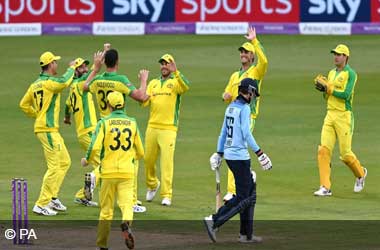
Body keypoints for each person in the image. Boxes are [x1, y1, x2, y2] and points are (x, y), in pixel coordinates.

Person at [204, 78, 272, 243]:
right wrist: (260, 153)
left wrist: (219, 153)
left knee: (250, 192)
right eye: (253, 94)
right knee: (243, 197)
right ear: (249, 92)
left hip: (230, 156)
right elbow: (246, 133)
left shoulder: (231, 107)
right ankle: (214, 220)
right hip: (240, 157)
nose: (253, 97)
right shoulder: (245, 108)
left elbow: (222, 133)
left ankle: (246, 235)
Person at [84, 48, 149, 213]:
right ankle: (131, 201)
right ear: (118, 62)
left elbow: (84, 87)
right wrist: (144, 80)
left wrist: (95, 69)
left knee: (107, 161)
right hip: (120, 124)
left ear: (104, 62)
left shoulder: (98, 80)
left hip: (103, 124)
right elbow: (141, 96)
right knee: (131, 161)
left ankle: (95, 176)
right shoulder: (121, 80)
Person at [81, 91, 144, 250]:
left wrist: (86, 160)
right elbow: (141, 152)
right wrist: (129, 156)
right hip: (127, 172)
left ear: (108, 105)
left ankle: (101, 245)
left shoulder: (104, 122)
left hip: (108, 172)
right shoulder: (132, 122)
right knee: (127, 205)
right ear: (123, 105)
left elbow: (94, 146)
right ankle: (126, 224)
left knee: (106, 212)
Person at [19, 51, 78, 215]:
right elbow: (65, 82)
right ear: (50, 64)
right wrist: (72, 67)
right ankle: (41, 203)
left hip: (48, 129)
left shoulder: (35, 84)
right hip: (47, 129)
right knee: (54, 167)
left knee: (65, 162)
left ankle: (52, 197)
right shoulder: (49, 83)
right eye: (55, 62)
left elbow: (23, 105)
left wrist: (37, 114)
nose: (57, 65)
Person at [313, 44, 367, 196]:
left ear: (346, 57)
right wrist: (323, 90)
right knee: (323, 150)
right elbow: (327, 96)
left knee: (345, 154)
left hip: (344, 116)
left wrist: (330, 89)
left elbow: (346, 94)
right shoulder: (331, 73)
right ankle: (325, 187)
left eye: (339, 54)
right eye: (335, 54)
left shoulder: (351, 74)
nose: (336, 57)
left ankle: (361, 174)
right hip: (330, 114)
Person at [222, 26, 268, 202]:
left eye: (246, 52)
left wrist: (254, 41)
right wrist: (225, 96)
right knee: (232, 146)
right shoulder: (235, 75)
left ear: (252, 56)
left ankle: (234, 189)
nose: (243, 53)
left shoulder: (255, 71)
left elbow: (264, 62)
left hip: (249, 115)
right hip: (234, 115)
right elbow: (227, 94)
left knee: (236, 146)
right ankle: (243, 180)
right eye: (241, 51)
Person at [142, 54, 190, 206]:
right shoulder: (154, 83)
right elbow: (144, 102)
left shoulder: (176, 82)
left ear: (172, 65)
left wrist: (176, 72)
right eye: (162, 63)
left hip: (169, 128)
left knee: (166, 162)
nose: (164, 66)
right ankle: (152, 184)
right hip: (152, 126)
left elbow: (186, 86)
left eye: (167, 63)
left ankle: (166, 194)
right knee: (148, 160)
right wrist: (142, 85)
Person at [64, 51, 104, 207]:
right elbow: (93, 74)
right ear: (76, 71)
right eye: (82, 67)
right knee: (105, 165)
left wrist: (67, 118)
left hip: (83, 133)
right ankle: (92, 181)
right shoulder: (81, 84)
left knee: (100, 164)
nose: (86, 68)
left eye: (86, 66)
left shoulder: (73, 88)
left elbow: (67, 106)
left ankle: (82, 196)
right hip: (89, 131)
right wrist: (96, 67)